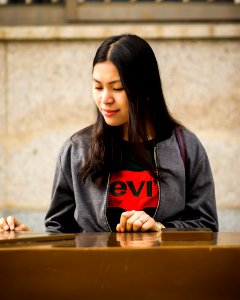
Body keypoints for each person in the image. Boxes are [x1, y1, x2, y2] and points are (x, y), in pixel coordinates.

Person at [0, 34, 218, 233]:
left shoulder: (185, 147)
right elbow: (60, 232)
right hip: (96, 274)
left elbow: (207, 226)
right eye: (98, 87)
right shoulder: (76, 150)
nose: (105, 99)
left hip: (166, 274)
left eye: (117, 88)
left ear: (145, 89)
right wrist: (27, 237)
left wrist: (161, 229)